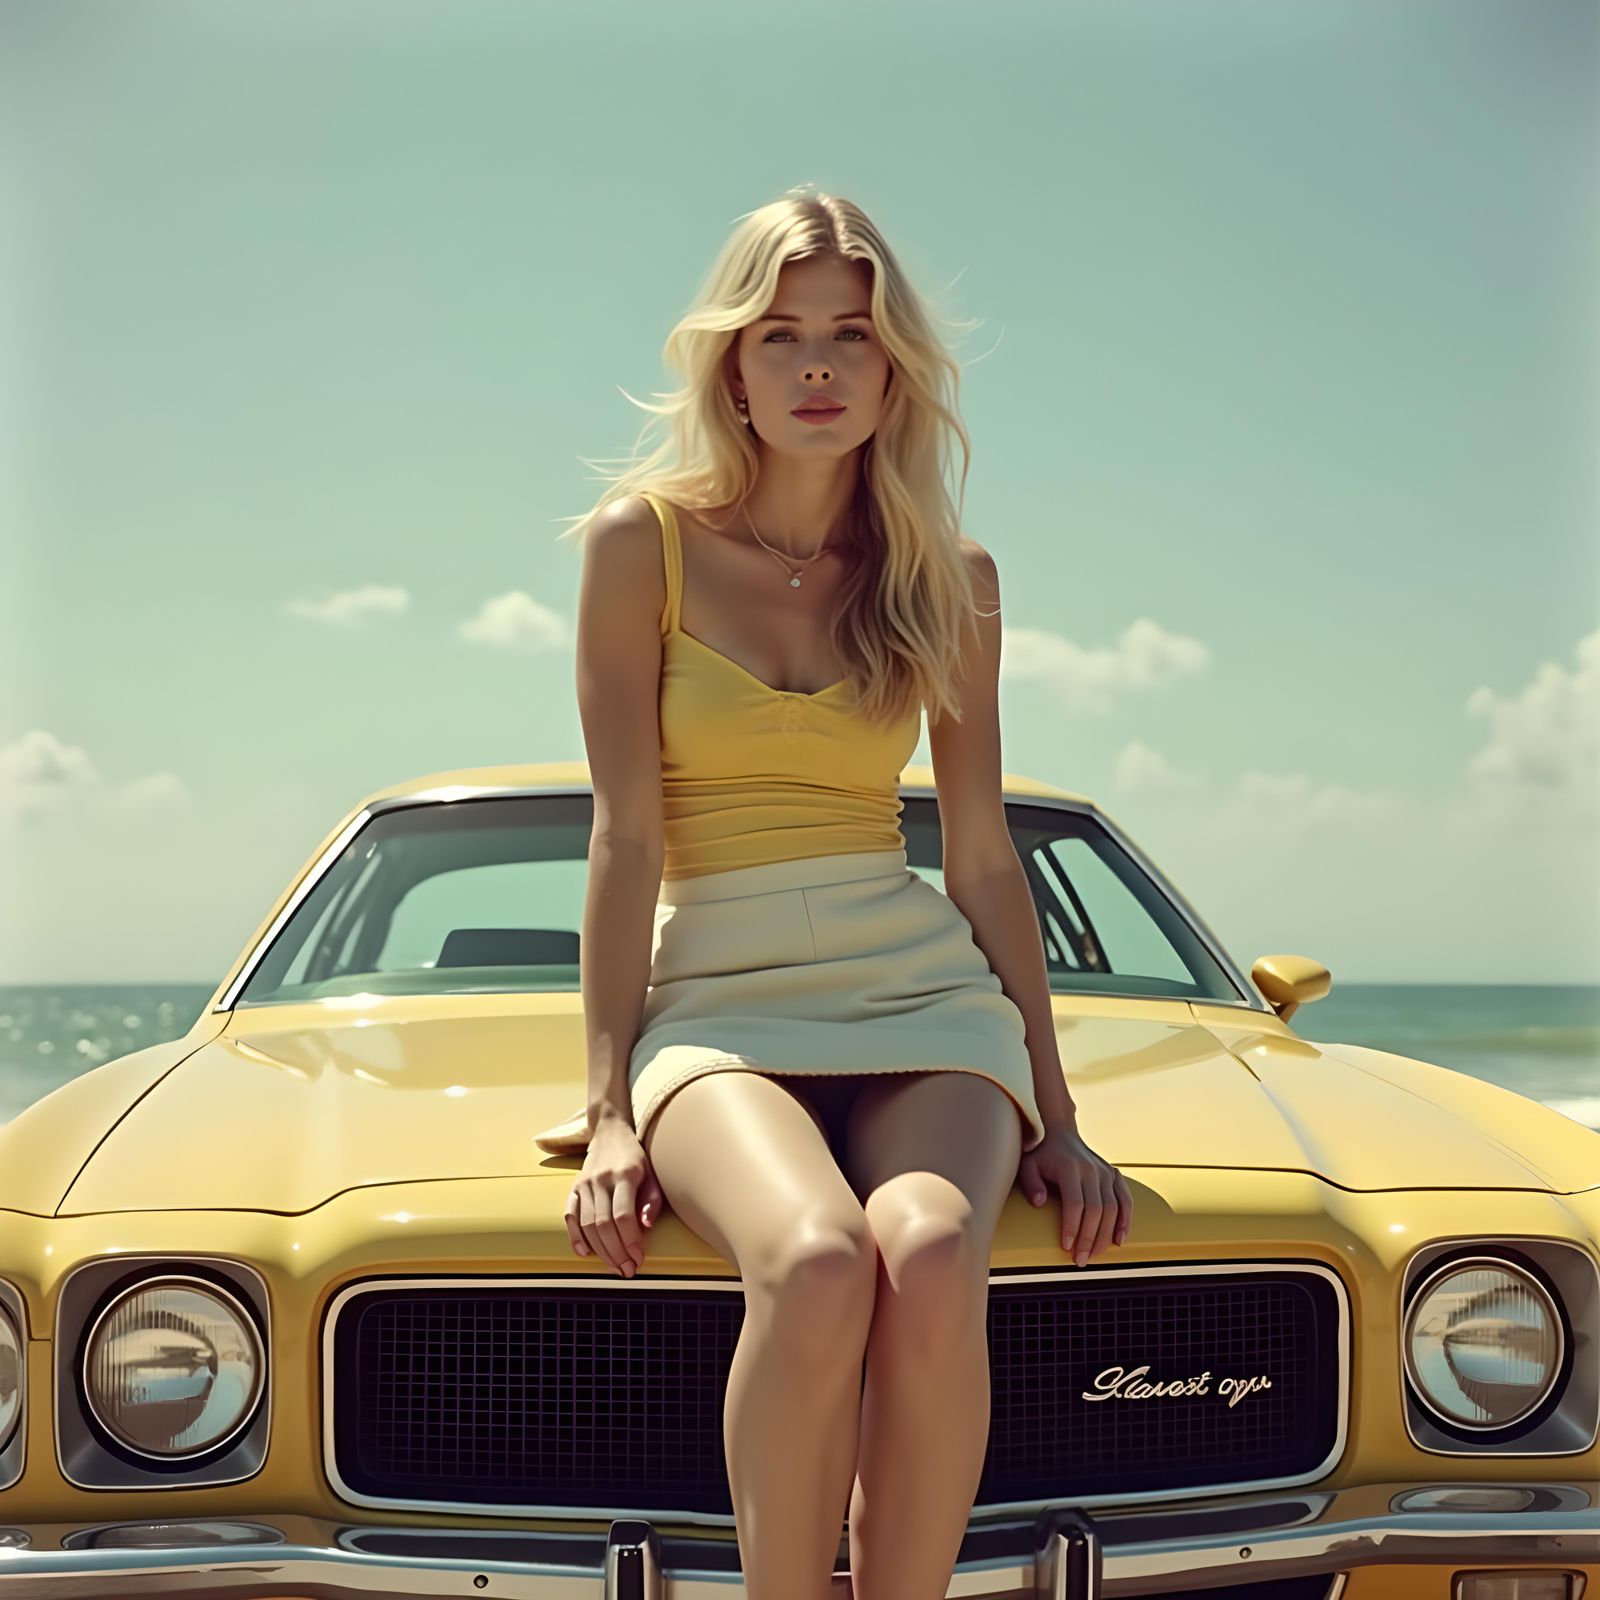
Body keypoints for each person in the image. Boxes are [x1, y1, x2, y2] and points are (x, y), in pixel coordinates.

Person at [533, 184, 1134, 1600]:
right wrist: (609, 1104)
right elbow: (626, 837)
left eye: (850, 335)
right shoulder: (640, 544)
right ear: (731, 366)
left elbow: (979, 856)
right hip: (721, 995)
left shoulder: (951, 577)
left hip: (921, 991)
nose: (817, 367)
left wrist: (1059, 1116)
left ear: (892, 367)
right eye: (781, 334)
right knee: (812, 1260)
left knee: (928, 1249)